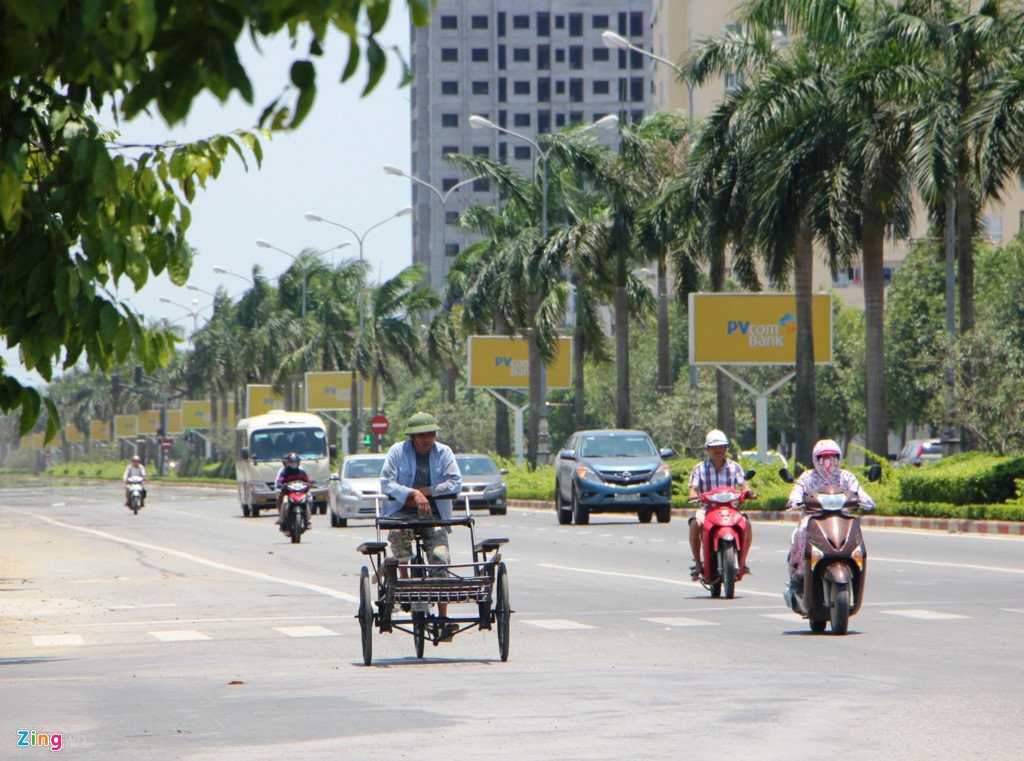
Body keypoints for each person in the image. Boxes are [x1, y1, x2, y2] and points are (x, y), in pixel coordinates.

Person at [380, 411, 462, 640]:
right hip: (402, 512)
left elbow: (455, 482)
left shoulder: (444, 452)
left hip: (434, 515)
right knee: (399, 545)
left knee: (440, 557)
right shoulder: (398, 451)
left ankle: (444, 618)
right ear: (413, 437)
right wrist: (412, 494)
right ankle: (406, 589)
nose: (427, 439)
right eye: (422, 435)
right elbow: (386, 482)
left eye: (431, 434)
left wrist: (425, 492)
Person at [785, 439, 875, 587]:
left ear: (838, 458)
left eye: (832, 457)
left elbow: (859, 491)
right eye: (823, 457)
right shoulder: (808, 477)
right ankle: (800, 573)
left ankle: (854, 566)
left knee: (856, 536)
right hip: (813, 518)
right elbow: (797, 491)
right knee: (801, 533)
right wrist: (794, 501)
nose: (828, 461)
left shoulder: (846, 476)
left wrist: (866, 501)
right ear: (816, 458)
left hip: (842, 518)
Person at [688, 429, 755, 580]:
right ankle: (698, 565)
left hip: (731, 509)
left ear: (726, 448)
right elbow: (693, 488)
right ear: (707, 449)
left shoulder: (735, 467)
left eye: (721, 446)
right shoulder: (699, 468)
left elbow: (744, 485)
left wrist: (748, 492)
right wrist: (693, 497)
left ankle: (742, 562)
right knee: (694, 524)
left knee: (746, 524)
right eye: (714, 447)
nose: (718, 450)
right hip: (707, 509)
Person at [275, 452, 311, 528]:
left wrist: (308, 485)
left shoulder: (302, 471)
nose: (293, 463)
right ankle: (281, 518)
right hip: (288, 493)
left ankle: (308, 520)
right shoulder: (284, 471)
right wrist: (280, 485)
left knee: (308, 501)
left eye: (295, 462)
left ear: (298, 462)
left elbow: (307, 481)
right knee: (284, 501)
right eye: (291, 462)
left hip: (300, 492)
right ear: (288, 462)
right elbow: (280, 480)